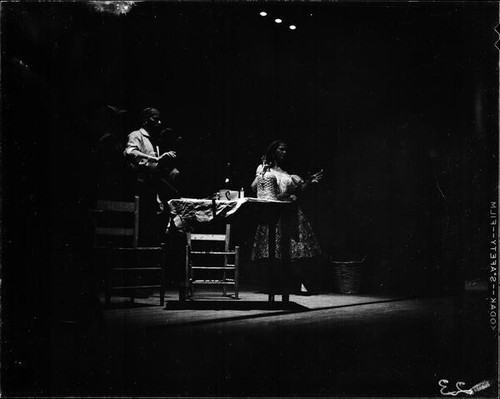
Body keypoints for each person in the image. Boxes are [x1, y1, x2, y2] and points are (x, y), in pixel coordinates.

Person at [250, 140, 323, 294]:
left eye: (286, 150)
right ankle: (276, 284)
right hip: (275, 211)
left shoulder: (286, 173)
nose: (284, 153)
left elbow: (298, 189)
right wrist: (263, 172)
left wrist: (309, 182)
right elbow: (255, 187)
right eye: (281, 149)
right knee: (275, 250)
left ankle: (298, 283)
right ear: (274, 151)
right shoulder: (265, 169)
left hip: (289, 211)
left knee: (296, 249)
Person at [124, 107, 180, 244]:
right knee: (144, 220)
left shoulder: (153, 139)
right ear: (145, 120)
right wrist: (155, 159)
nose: (159, 122)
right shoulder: (136, 135)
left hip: (153, 185)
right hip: (142, 185)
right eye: (155, 119)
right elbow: (130, 151)